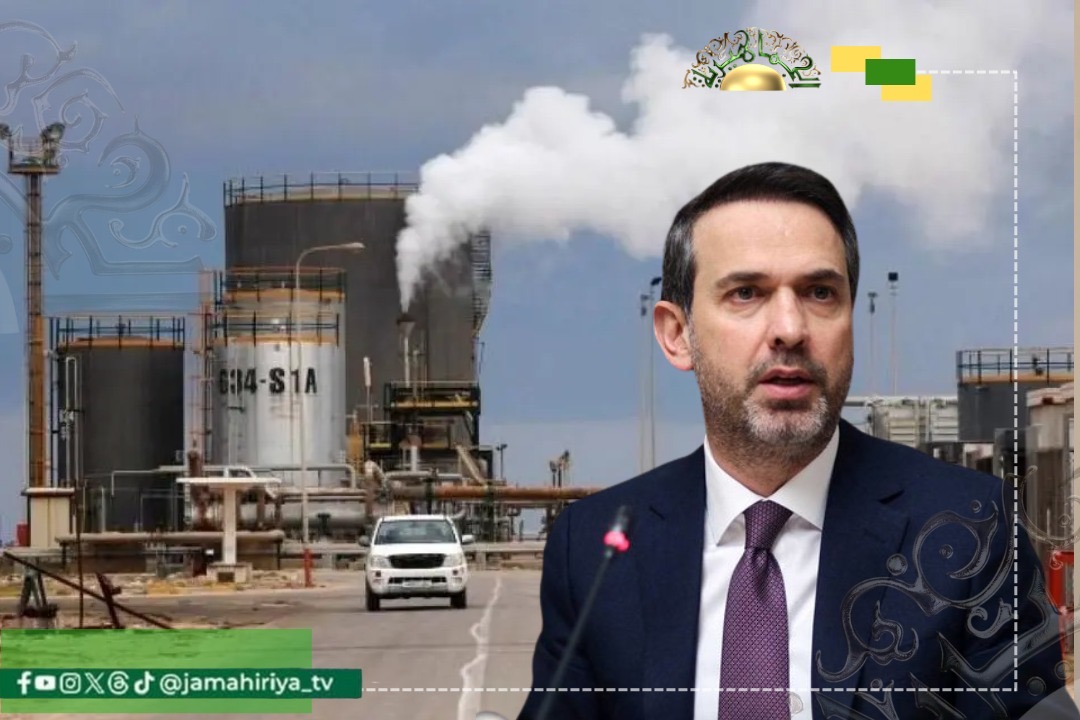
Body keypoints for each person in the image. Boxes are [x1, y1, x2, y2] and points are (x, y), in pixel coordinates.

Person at [517, 162, 1077, 720]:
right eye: (746, 293)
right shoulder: (591, 549)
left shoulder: (972, 527)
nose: (790, 328)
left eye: (819, 292)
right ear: (677, 334)